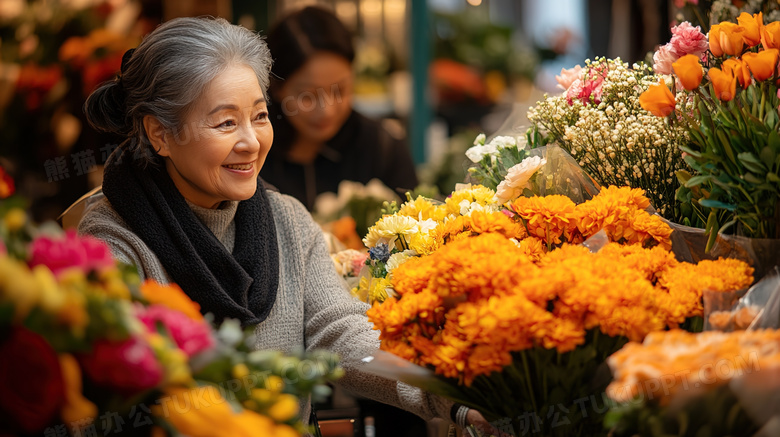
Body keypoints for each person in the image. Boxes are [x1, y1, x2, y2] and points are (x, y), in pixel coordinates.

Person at [77, 16, 487, 435]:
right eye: (225, 123)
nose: (251, 142)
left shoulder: (286, 218)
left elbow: (341, 331)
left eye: (258, 116)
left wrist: (449, 395)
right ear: (160, 134)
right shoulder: (114, 244)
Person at [258, 6, 418, 211]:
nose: (327, 110)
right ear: (278, 87)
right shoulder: (254, 152)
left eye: (340, 90)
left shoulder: (381, 147)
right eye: (308, 96)